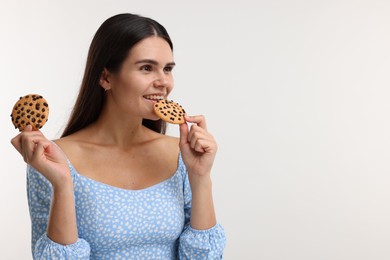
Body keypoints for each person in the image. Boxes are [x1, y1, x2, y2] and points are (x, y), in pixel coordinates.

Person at [11, 13, 226, 259]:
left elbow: (204, 257)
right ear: (105, 77)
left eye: (167, 69)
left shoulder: (180, 154)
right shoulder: (51, 159)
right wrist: (62, 184)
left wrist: (200, 177)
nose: (163, 82)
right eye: (146, 68)